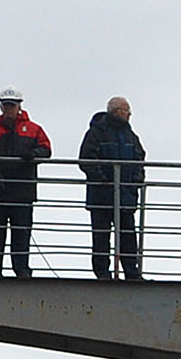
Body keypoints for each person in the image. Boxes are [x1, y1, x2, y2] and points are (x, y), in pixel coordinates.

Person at [0, 88, 51, 277]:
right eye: (6, 105)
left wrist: (32, 155)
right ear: (1, 106)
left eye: (12, 105)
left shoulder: (34, 129)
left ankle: (21, 270)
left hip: (22, 192)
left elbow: (46, 150)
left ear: (19, 106)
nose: (9, 109)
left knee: (21, 234)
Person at [78, 96, 145, 280]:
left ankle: (132, 272)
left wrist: (137, 178)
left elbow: (140, 157)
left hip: (126, 195)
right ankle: (102, 273)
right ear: (116, 111)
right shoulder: (96, 133)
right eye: (126, 110)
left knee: (128, 237)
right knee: (101, 237)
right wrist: (103, 179)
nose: (129, 114)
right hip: (101, 196)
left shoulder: (130, 135)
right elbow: (86, 159)